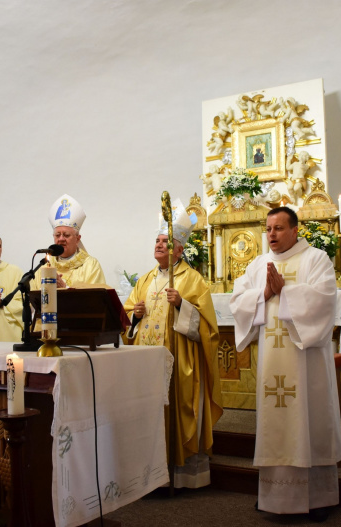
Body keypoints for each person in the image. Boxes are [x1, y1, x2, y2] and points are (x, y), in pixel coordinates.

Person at [229, 206, 341, 520]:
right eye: (268, 229)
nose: (272, 235)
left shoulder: (316, 259)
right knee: (276, 424)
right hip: (272, 360)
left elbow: (324, 300)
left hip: (306, 362)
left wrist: (287, 292)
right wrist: (264, 294)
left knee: (310, 418)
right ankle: (275, 496)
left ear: (295, 230)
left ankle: (317, 499)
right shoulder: (258, 264)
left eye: (279, 228)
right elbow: (238, 301)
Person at [123, 199, 222, 488]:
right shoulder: (144, 280)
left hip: (179, 362)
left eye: (165, 241)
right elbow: (126, 316)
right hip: (146, 362)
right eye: (157, 240)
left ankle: (179, 477)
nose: (159, 244)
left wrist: (182, 305)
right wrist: (134, 316)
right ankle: (150, 475)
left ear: (179, 250)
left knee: (177, 409)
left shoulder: (193, 280)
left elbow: (208, 328)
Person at [30, 194, 105, 290]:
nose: (61, 239)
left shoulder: (91, 265)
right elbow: (32, 296)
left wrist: (65, 288)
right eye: (57, 235)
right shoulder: (44, 267)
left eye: (66, 235)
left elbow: (96, 297)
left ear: (77, 239)